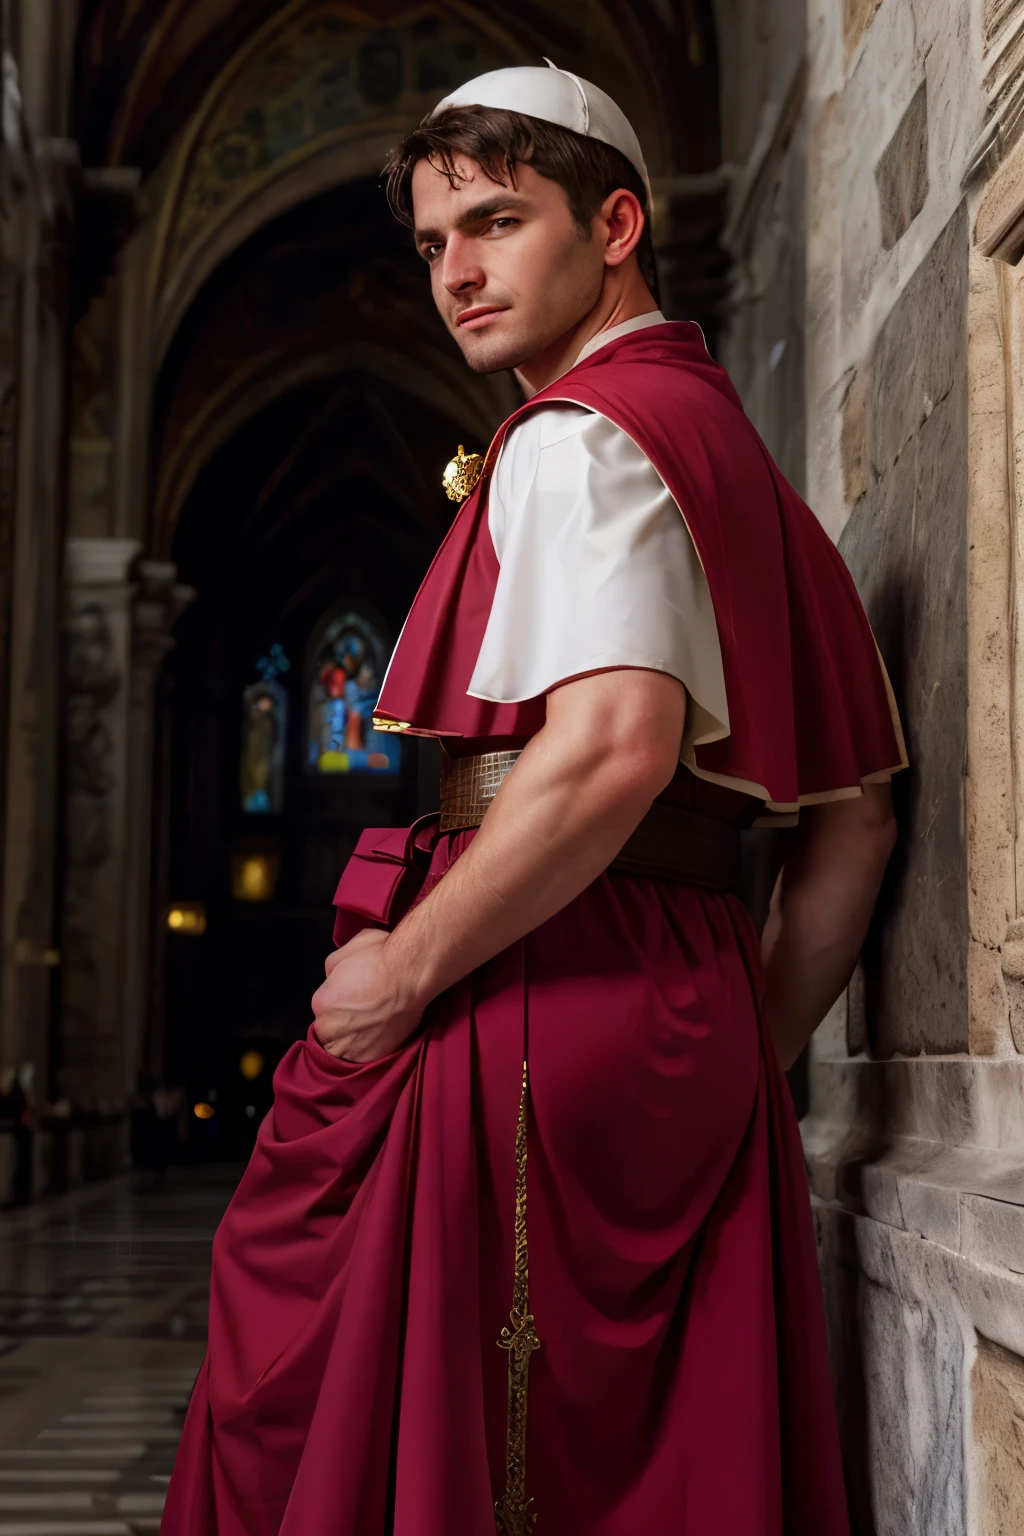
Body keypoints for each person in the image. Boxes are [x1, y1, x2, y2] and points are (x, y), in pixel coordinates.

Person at [162, 62, 906, 1536]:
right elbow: (857, 824)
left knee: (403, 1401)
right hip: (681, 997)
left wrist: (406, 970)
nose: (458, 273)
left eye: (497, 223)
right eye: (435, 242)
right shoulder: (738, 466)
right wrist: (741, 1049)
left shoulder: (578, 439)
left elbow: (617, 745)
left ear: (616, 221)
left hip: (539, 989)